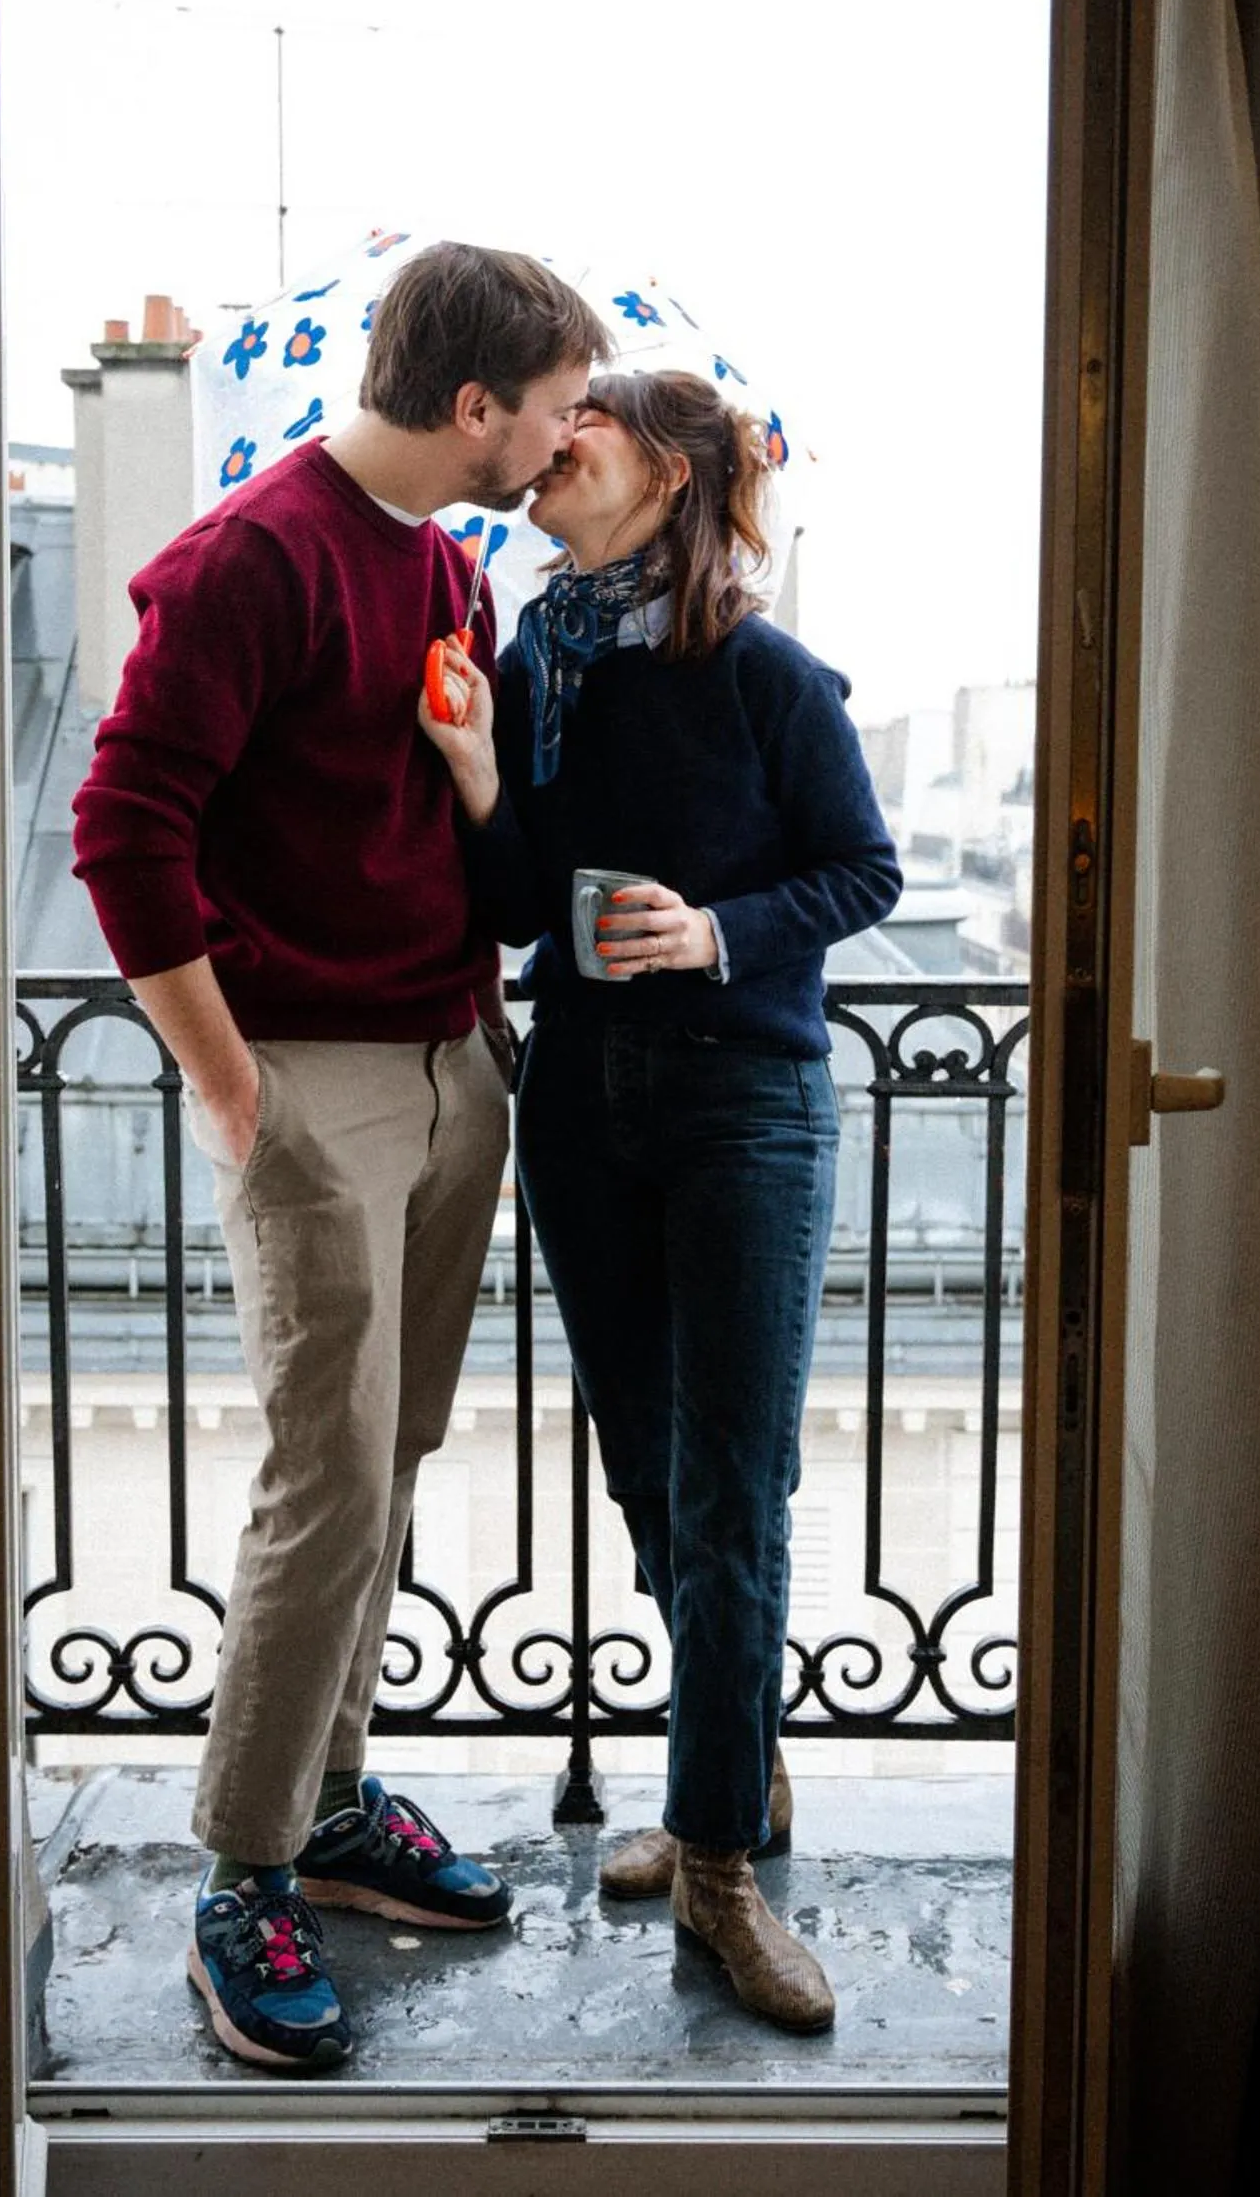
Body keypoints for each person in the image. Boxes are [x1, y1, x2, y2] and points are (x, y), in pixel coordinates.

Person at [72, 242, 614, 2072]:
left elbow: (449, 825)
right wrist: (237, 1095)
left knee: (392, 1452)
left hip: (454, 1053)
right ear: (475, 404)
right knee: (325, 1475)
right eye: (549, 407)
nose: (562, 439)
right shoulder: (257, 557)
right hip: (313, 1075)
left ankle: (331, 1799)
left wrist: (474, 792)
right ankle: (240, 1869)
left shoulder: (445, 562)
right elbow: (123, 831)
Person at [420, 368, 902, 2032]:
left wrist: (715, 932)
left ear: (674, 468)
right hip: (580, 1097)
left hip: (741, 1099)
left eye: (585, 433)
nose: (548, 458)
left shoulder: (761, 667)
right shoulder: (537, 661)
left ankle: (715, 1861)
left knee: (731, 1485)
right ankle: (736, 1767)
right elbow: (516, 899)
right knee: (645, 1459)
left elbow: (862, 870)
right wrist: (481, 771)